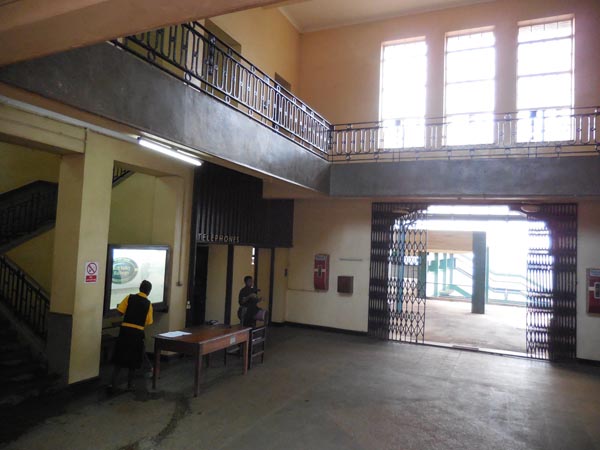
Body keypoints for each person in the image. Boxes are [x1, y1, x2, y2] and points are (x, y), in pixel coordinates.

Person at [108, 280, 153, 393]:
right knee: (134, 360)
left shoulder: (129, 297)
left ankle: (112, 383)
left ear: (139, 288)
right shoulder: (149, 304)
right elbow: (148, 321)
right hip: (137, 333)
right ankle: (130, 384)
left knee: (119, 358)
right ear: (149, 291)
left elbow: (120, 311)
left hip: (125, 331)